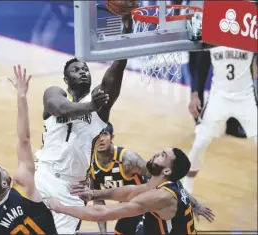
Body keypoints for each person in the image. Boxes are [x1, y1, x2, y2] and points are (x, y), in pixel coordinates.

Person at [35, 14, 134, 234]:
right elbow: (59, 108)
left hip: (72, 187)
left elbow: (118, 66)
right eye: (76, 70)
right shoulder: (54, 94)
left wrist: (127, 29)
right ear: (66, 79)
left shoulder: (101, 103)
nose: (83, 72)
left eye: (86, 69)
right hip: (44, 176)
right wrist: (90, 107)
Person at [47, 148, 215, 235]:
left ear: (167, 171)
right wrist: (94, 194)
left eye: (162, 155)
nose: (156, 153)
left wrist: (61, 208)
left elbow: (101, 213)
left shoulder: (161, 197)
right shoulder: (164, 184)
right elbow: (131, 191)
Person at [0, 65, 57, 235]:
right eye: (1, 169)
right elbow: (24, 140)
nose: (4, 168)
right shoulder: (22, 185)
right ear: (4, 183)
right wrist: (21, 95)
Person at [183, 46, 257, 193]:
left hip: (245, 98)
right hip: (219, 98)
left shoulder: (248, 28)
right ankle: (186, 190)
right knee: (200, 143)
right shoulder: (213, 34)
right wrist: (195, 94)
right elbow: (200, 67)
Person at [90, 122, 149, 235]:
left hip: (148, 207)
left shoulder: (129, 159)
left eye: (104, 134)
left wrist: (190, 202)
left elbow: (160, 179)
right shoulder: (90, 164)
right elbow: (97, 199)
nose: (100, 139)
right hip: (129, 208)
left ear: (112, 137)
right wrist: (103, 233)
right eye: (96, 135)